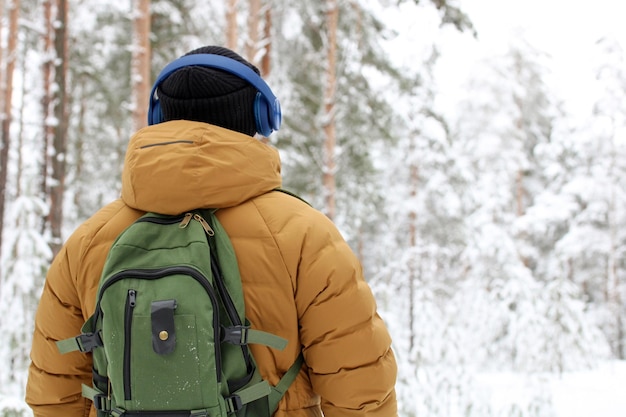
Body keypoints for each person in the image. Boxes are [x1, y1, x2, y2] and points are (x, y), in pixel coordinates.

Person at [25, 45, 397, 417]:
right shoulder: (305, 235)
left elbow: (52, 396)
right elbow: (361, 390)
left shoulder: (88, 242)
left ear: (159, 116)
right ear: (259, 115)